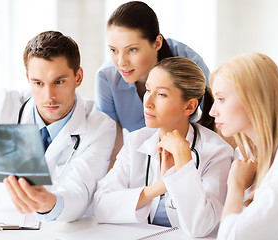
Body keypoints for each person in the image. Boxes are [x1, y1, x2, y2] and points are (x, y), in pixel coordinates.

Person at [0, 31, 116, 222]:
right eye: (38, 83)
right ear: (28, 79)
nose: (48, 96)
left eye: (58, 82)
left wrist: (47, 203)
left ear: (78, 77)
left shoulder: (100, 126)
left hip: (60, 231)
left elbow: (81, 191)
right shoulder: (4, 106)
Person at [94, 57, 233, 237]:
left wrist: (183, 161)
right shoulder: (136, 141)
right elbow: (101, 206)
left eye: (161, 94)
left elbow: (200, 226)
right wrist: (160, 187)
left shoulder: (217, 152)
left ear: (190, 106)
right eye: (148, 90)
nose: (147, 102)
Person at [209, 52, 278, 239]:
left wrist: (235, 185)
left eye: (221, 99)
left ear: (253, 99)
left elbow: (232, 236)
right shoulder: (246, 152)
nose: (212, 111)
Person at [95, 1, 211, 169]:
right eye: (114, 50)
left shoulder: (189, 62)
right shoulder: (106, 77)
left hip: (189, 154)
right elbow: (111, 146)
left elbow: (214, 115)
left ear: (157, 43)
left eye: (132, 50)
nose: (121, 62)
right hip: (140, 161)